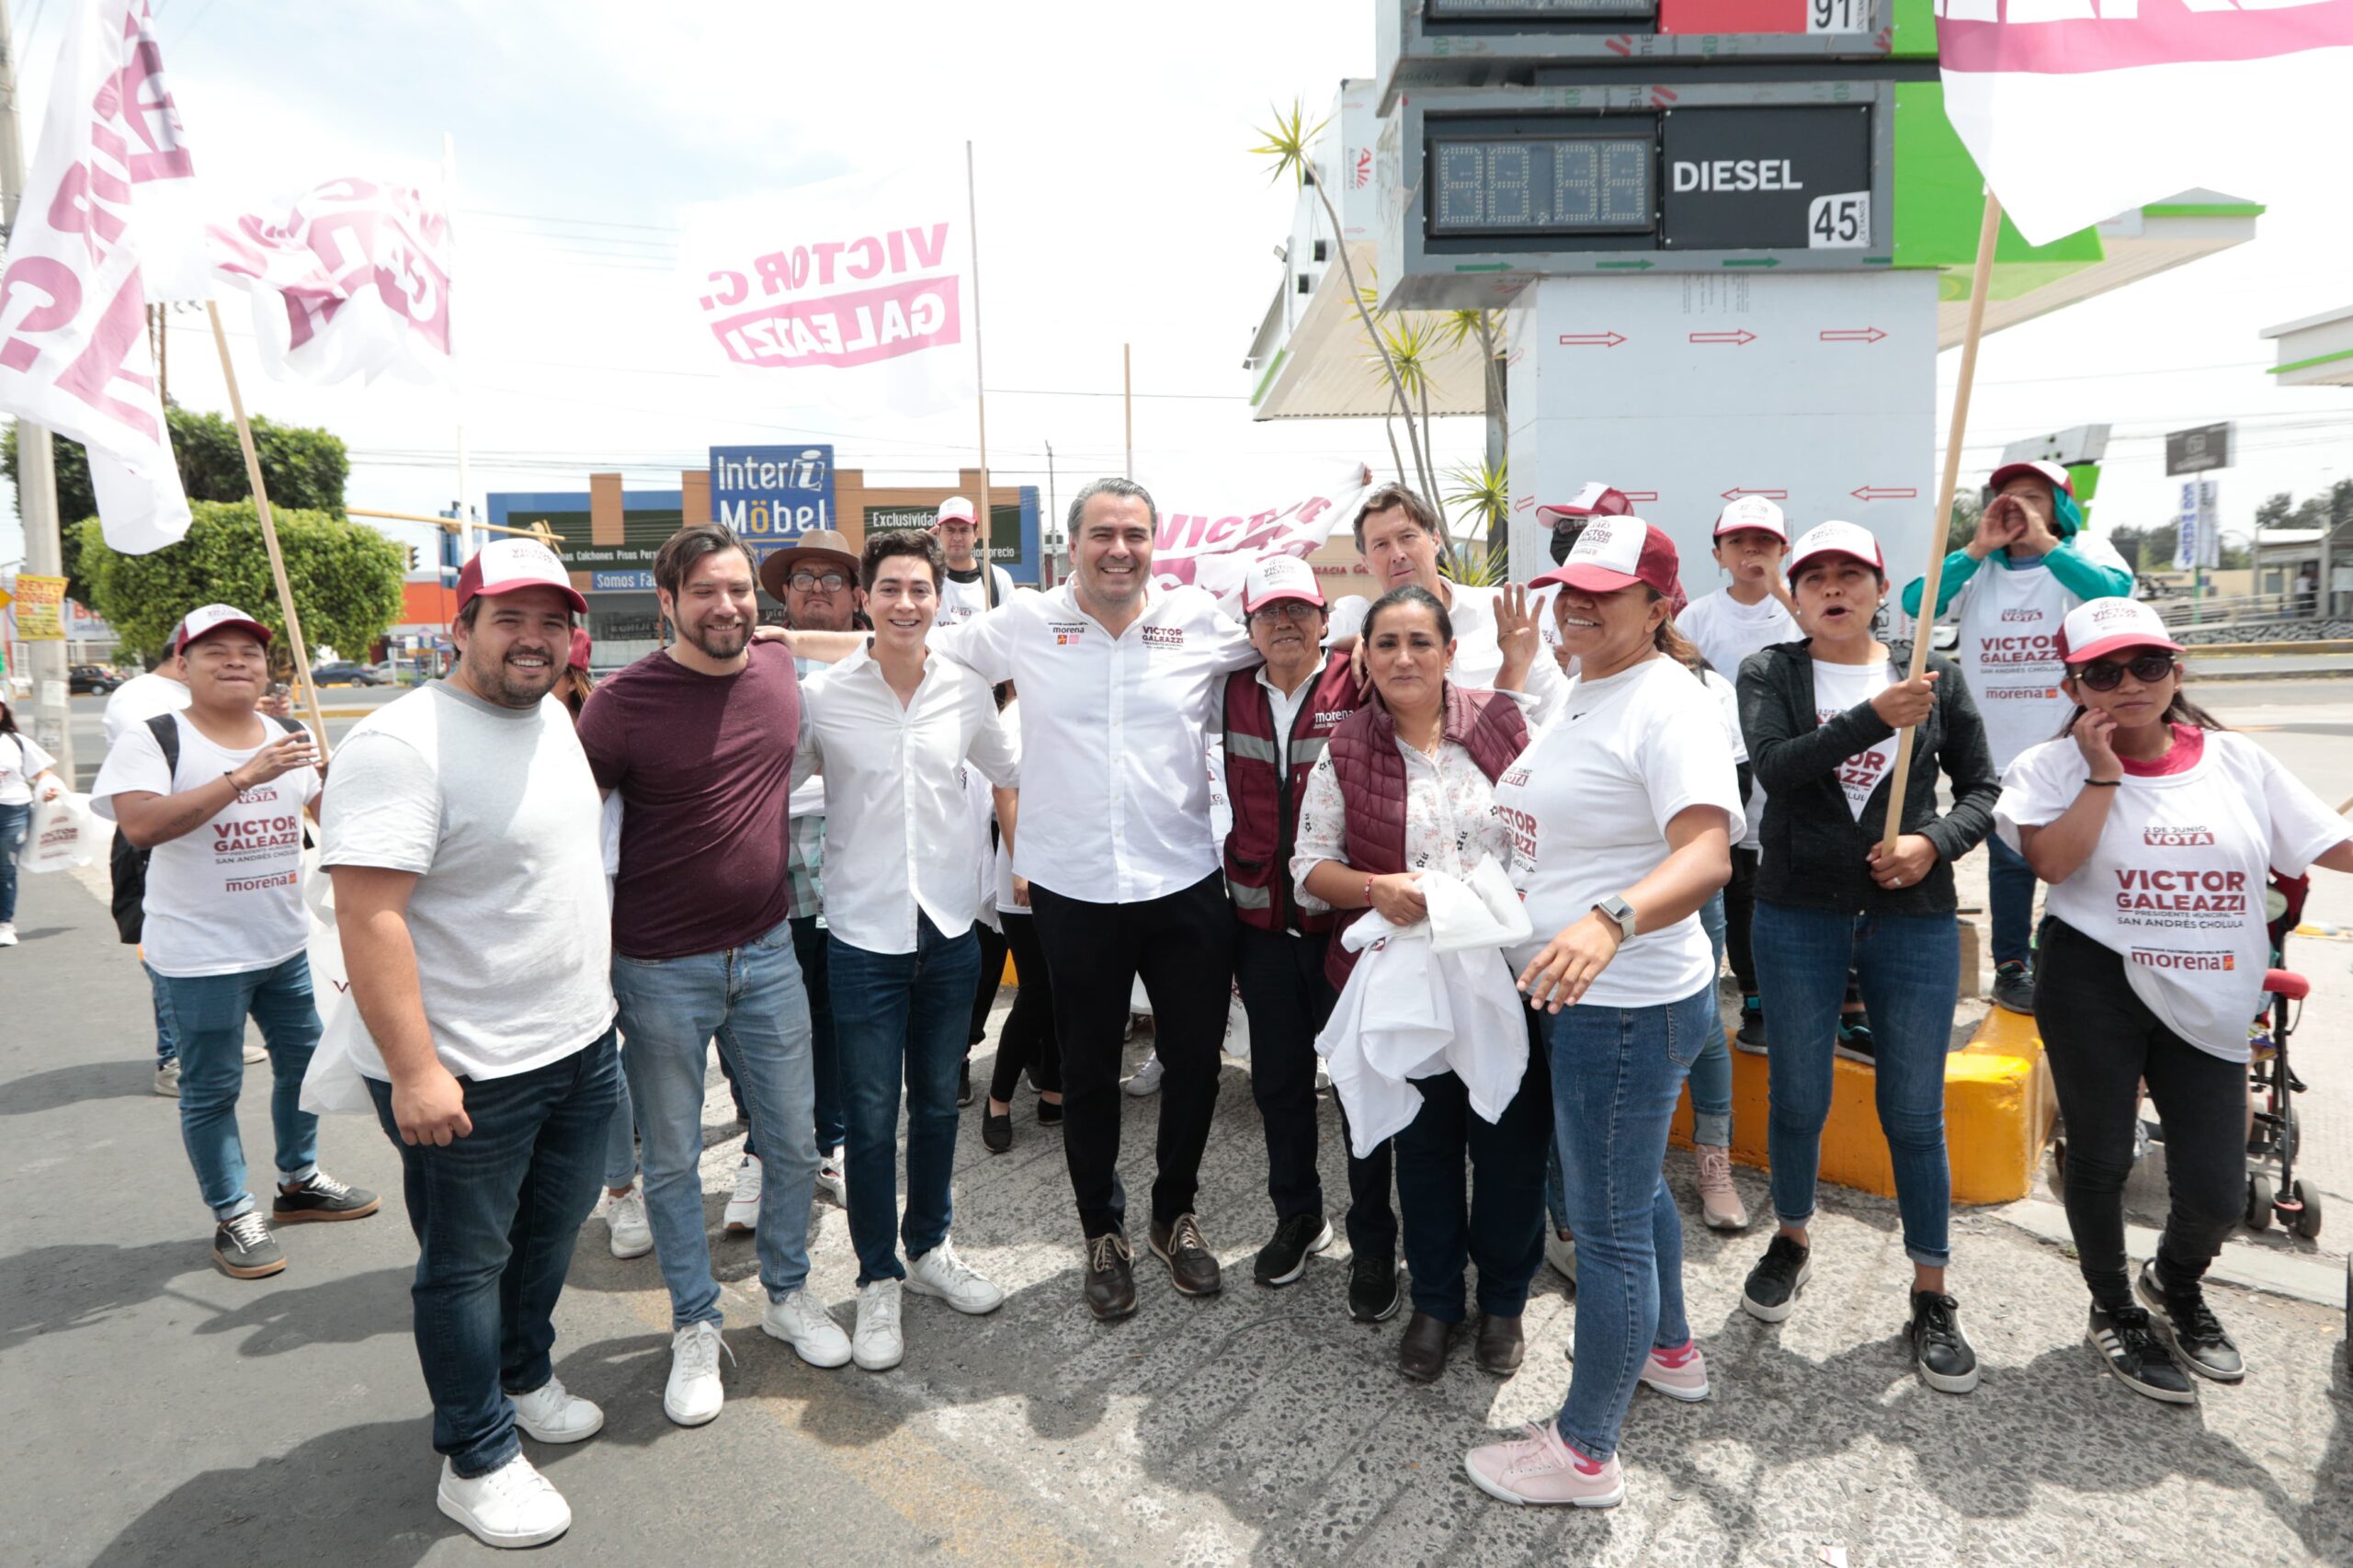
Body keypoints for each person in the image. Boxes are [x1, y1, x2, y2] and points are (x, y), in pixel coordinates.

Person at [783, 479, 1260, 1321]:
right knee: (1086, 1069)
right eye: (1103, 533)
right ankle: (1101, 1230)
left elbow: (1296, 648)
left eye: (1135, 534)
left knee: (1193, 1063)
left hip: (1182, 880)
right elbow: (905, 637)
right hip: (1072, 886)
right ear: (1073, 544)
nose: (1119, 549)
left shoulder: (1198, 621)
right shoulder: (1028, 622)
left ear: (1155, 543)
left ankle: (1173, 1215)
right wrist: (784, 642)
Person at [324, 540, 618, 1549]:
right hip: (467, 1070)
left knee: (548, 1236)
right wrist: (415, 1070)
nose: (534, 639)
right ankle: (476, 1453)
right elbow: (368, 916)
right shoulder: (400, 744)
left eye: (552, 622)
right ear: (461, 628)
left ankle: (523, 1377)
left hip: (578, 1046)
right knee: (463, 1265)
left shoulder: (553, 717)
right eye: (509, 619)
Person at [1995, 597, 2353, 1403]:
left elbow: (2332, 845)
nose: (2129, 683)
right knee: (2102, 1158)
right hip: (2095, 983)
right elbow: (2052, 864)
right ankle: (2114, 1307)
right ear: (2072, 686)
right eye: (2103, 672)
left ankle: (2175, 1283)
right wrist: (2102, 774)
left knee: (2219, 1190)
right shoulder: (2046, 768)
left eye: (2148, 665)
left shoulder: (2238, 760)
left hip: (2213, 994)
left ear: (2176, 670)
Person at [1465, 518, 1742, 1510]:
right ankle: (1668, 1347)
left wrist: (1609, 918)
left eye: (1605, 593)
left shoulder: (1669, 703)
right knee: (1632, 1189)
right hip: (1579, 994)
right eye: (1570, 588)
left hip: (1621, 1002)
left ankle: (1585, 1452)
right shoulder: (1587, 686)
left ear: (1658, 607)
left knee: (1607, 1223)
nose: (1577, 604)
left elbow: (1705, 854)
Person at [577, 521, 851, 1426]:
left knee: (793, 1140)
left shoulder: (775, 668)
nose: (726, 606)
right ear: (668, 602)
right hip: (657, 968)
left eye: (738, 590)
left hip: (768, 951)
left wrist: (798, 632)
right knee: (672, 1158)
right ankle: (695, 1322)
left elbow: (865, 646)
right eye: (705, 592)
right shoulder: (620, 704)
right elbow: (564, 821)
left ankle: (786, 1294)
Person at [1734, 521, 1999, 1394]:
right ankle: (1791, 1235)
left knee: (1913, 1112)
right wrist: (1873, 717)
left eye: (1852, 574)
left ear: (1883, 590)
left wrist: (1932, 843)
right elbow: (1775, 766)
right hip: (1797, 913)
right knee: (1798, 1096)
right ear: (1796, 596)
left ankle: (1931, 1289)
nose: (1833, 588)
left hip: (1911, 919)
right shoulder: (1771, 671)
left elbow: (1983, 790)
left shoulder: (1934, 674)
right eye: (1815, 577)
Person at [1291, 584, 1548, 1383]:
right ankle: (1437, 1300)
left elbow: (1551, 833)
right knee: (1426, 1149)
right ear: (1364, 659)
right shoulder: (1344, 749)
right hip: (1408, 985)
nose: (1404, 658)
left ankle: (1503, 1301)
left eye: (1420, 642)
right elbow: (1309, 869)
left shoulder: (1504, 726)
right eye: (1387, 644)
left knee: (1509, 1146)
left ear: (1449, 652)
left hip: (1508, 975)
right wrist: (1375, 889)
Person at [90, 605, 376, 1281]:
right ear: (183, 665)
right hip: (198, 956)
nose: (236, 662)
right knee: (212, 1088)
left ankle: (299, 1181)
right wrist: (244, 775)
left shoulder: (288, 735)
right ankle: (232, 1211)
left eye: (250, 652)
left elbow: (332, 820)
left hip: (283, 944)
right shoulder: (155, 738)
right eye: (215, 651)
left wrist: (351, 785)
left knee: (304, 1069)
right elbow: (141, 827)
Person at [793, 528, 1019, 1369]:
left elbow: (1011, 770)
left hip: (950, 931)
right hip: (861, 935)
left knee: (935, 1105)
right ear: (865, 598)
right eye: (889, 588)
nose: (905, 603)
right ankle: (876, 1278)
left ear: (938, 599)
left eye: (920, 589)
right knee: (868, 1117)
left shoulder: (965, 690)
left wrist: (1025, 863)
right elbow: (773, 781)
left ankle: (928, 1249)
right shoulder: (823, 696)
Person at [1218, 555, 1404, 1315]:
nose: (1285, 623)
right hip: (1261, 928)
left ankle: (1374, 1241)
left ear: (1327, 620)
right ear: (1249, 628)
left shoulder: (1359, 682)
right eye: (1269, 612)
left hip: (1345, 929)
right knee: (1279, 1085)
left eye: (1299, 609)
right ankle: (1298, 1217)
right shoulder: (1228, 690)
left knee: (1360, 1089)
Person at [1902, 460, 2132, 1016]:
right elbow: (1917, 604)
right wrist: (1976, 549)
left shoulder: (2084, 550)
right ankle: (2011, 966)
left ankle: (2069, 956)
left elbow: (2115, 593)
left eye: (2033, 496)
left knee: (2086, 857)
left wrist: (2046, 544)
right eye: (2007, 497)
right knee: (2010, 861)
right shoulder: (1978, 566)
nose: (2018, 506)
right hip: (1999, 746)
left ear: (2060, 508)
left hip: (2076, 743)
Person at [747, 528, 868, 1233]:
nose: (817, 589)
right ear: (785, 595)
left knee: (836, 1007)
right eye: (803, 579)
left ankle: (830, 1143)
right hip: (767, 844)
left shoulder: (876, 657)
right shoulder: (758, 655)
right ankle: (761, 1148)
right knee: (760, 1008)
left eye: (832, 578)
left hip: (851, 844)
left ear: (856, 595)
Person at [1677, 496, 1802, 1051]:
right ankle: (1755, 1000)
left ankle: (1834, 1000)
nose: (1752, 551)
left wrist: (1784, 593)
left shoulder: (1803, 609)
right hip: (1729, 778)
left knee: (1799, 892)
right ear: (1717, 554)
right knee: (1742, 893)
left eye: (1765, 542)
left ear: (1784, 550)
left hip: (1798, 775)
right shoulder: (1697, 617)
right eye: (1738, 542)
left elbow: (1831, 651)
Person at [551, 634, 653, 1264]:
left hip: (623, 908)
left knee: (637, 1049)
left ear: (573, 674)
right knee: (593, 1060)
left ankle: (627, 1180)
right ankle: (617, 1187)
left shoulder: (606, 726)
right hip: (544, 922)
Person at [1328, 484, 1571, 722]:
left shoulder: (1498, 613)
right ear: (1366, 562)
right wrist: (1360, 642)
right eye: (1381, 545)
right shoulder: (1360, 625)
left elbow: (1556, 712)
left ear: (1435, 540)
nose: (1398, 554)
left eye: (1407, 537)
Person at [979, 683, 1064, 1153]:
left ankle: (1054, 1089)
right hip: (1026, 878)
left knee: (1062, 987)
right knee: (1037, 991)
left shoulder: (1065, 698)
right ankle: (999, 1099)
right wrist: (1022, 864)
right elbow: (1003, 789)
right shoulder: (1014, 716)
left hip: (1072, 874)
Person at [0, 690, 64, 946]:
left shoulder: (16, 742)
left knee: (4, 867)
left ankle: (4, 923)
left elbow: (43, 774)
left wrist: (49, 788)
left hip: (13, 810)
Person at [930, 494, 1016, 626]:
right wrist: (912, 552)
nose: (957, 538)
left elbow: (1011, 630)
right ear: (938, 534)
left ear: (976, 535)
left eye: (964, 530)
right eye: (950, 530)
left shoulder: (999, 580)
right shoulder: (925, 577)